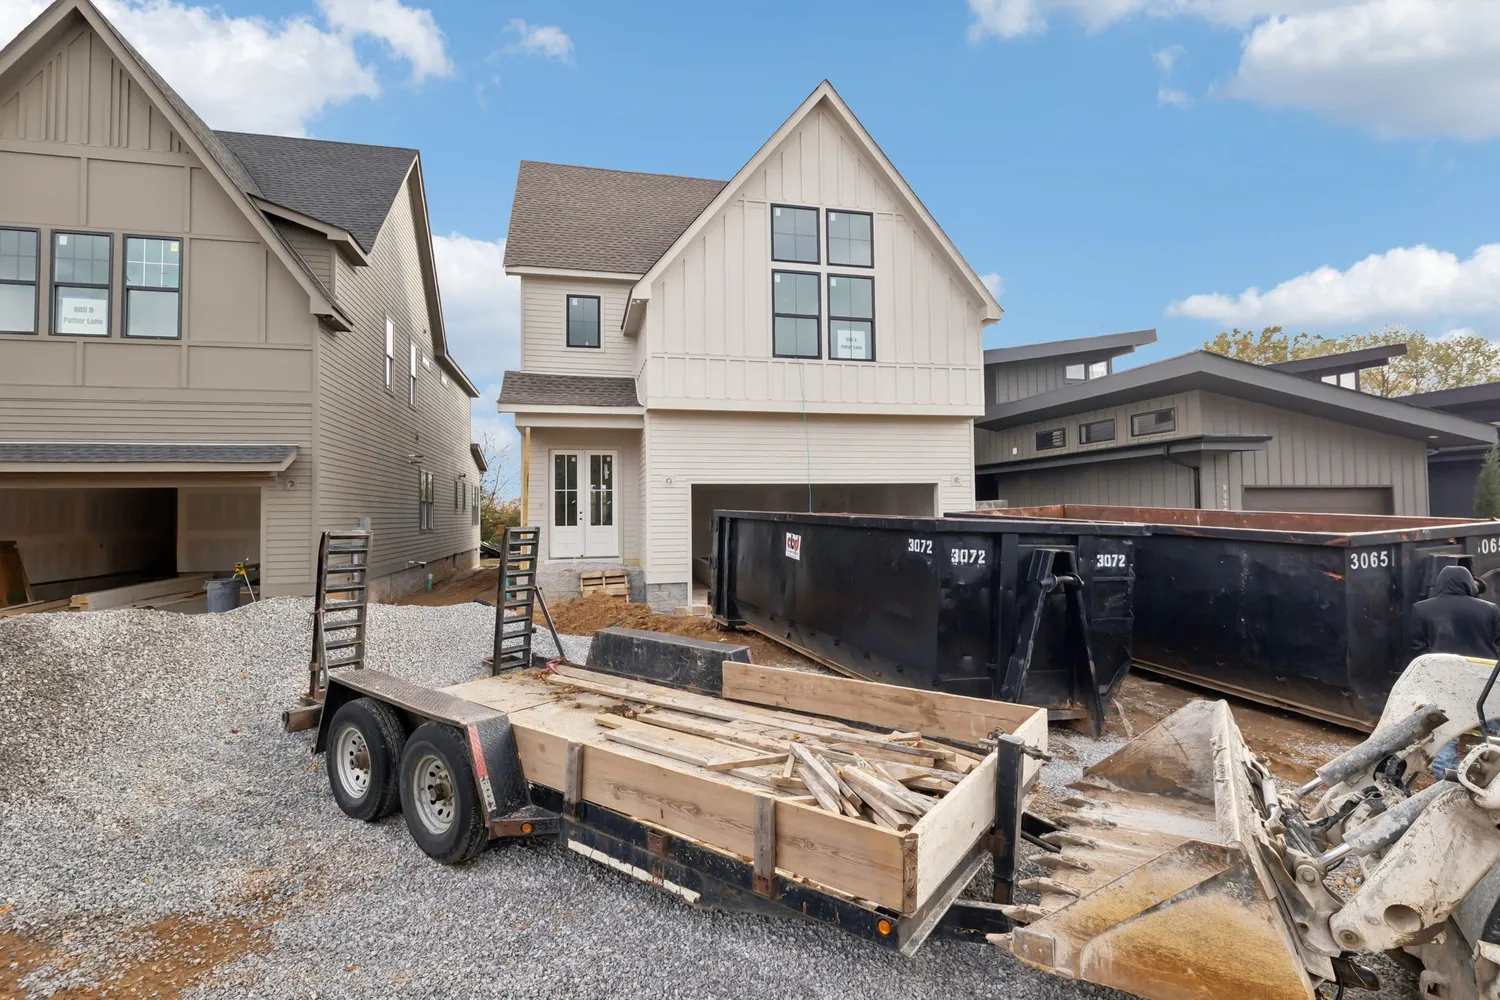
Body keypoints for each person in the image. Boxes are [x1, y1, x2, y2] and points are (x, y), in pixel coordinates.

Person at [1409, 565, 1500, 777]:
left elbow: (1417, 651)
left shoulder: (1421, 609)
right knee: (1493, 732)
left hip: (1445, 681)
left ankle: (1446, 786)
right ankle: (1493, 781)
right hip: (1484, 680)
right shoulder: (1490, 609)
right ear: (1469, 583)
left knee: (1445, 736)